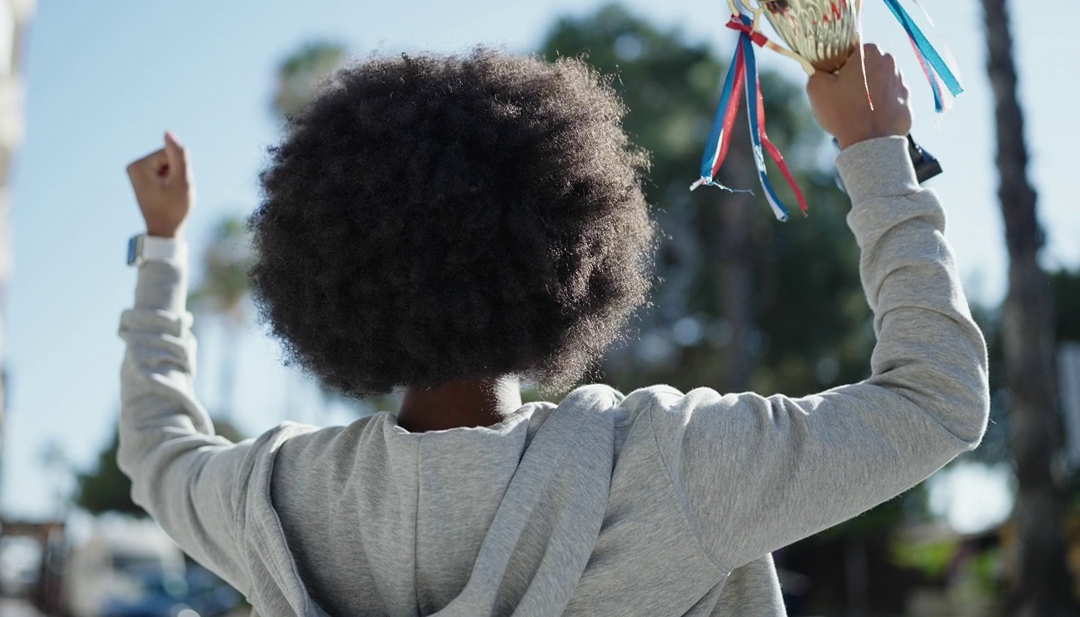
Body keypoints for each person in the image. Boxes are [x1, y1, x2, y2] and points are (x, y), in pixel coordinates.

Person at [118, 45, 987, 616]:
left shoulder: (278, 498)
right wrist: (878, 149)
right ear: (574, 246)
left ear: (324, 267)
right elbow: (937, 399)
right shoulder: (665, 469)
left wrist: (160, 248)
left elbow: (157, 452)